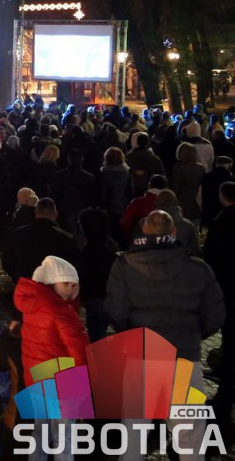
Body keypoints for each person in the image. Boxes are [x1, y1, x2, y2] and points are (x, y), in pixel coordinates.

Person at [106, 210, 225, 364]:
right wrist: (192, 335)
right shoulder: (199, 269)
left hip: (142, 355)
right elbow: (215, 315)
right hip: (185, 356)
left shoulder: (124, 266)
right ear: (173, 232)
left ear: (144, 230)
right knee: (183, 382)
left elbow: (116, 312)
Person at [14, 256, 89, 387]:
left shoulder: (35, 304)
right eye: (65, 284)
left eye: (74, 285)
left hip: (36, 374)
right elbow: (78, 349)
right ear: (52, 282)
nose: (70, 289)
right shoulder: (59, 310)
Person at [205, 182, 235, 431]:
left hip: (228, 288)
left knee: (231, 336)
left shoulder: (222, 221)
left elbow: (212, 256)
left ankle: (226, 391)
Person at [3, 198, 77, 283]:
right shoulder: (65, 238)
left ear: (36, 213)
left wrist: (18, 277)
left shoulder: (18, 234)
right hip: (53, 286)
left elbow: (7, 262)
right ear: (55, 214)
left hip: (26, 283)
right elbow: (72, 266)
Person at [76, 208, 118, 342]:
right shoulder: (112, 246)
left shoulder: (88, 250)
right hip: (111, 296)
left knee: (97, 336)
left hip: (95, 298)